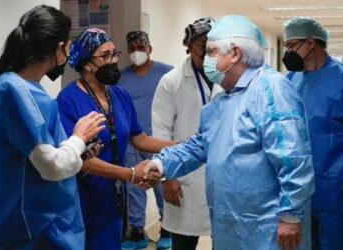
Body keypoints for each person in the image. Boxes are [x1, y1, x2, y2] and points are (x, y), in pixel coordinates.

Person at [142, 15, 315, 250]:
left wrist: (291, 215)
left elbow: (292, 159)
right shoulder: (222, 101)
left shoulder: (271, 91)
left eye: (212, 52)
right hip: (230, 225)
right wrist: (161, 165)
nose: (206, 59)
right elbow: (199, 145)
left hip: (269, 228)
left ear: (235, 54)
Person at [0, 5, 106, 249]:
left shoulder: (23, 88)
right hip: (33, 228)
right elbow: (52, 166)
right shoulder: (16, 92)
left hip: (42, 220)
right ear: (59, 48)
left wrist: (79, 150)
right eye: (67, 46)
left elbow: (32, 155)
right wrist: (79, 136)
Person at [56, 28, 175, 250]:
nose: (113, 61)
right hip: (81, 200)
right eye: (104, 56)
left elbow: (139, 138)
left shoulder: (119, 95)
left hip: (113, 200)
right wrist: (130, 174)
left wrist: (179, 145)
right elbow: (81, 160)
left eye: (114, 54)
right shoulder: (68, 100)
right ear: (86, 63)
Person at [151, 17, 222, 250]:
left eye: (214, 43)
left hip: (223, 177)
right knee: (183, 242)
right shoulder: (171, 81)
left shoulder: (227, 77)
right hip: (184, 178)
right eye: (203, 43)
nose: (209, 49)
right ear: (190, 45)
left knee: (224, 239)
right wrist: (168, 177)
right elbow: (160, 131)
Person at [283, 17, 343, 250]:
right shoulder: (291, 81)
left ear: (311, 42)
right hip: (299, 188)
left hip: (335, 187)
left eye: (292, 45)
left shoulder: (339, 78)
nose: (288, 52)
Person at [118, 31, 173, 250]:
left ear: (149, 48)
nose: (136, 52)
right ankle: (137, 232)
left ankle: (167, 230)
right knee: (134, 188)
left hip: (158, 140)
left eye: (140, 47)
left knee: (163, 186)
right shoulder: (121, 78)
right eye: (132, 49)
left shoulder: (167, 73)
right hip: (131, 141)